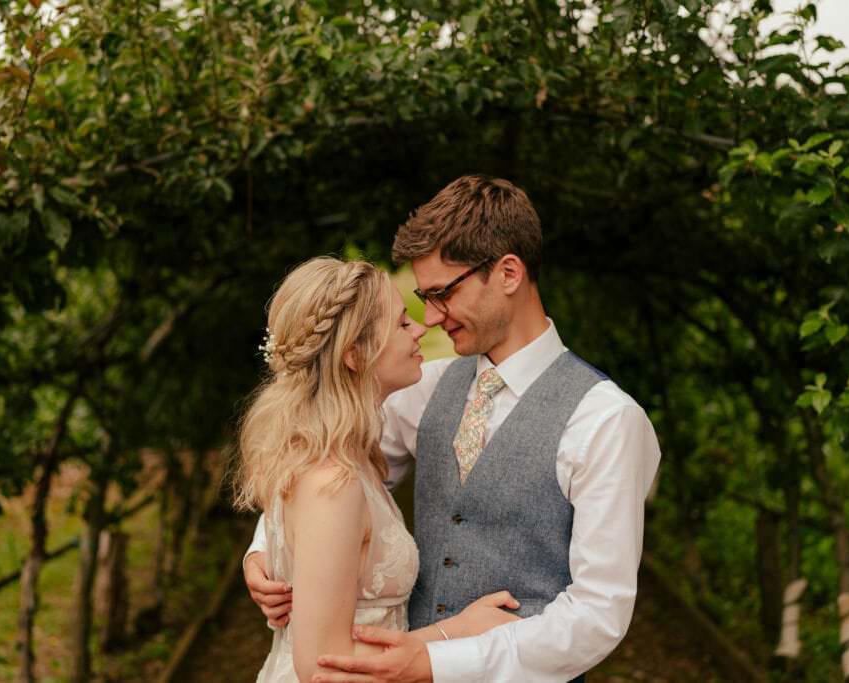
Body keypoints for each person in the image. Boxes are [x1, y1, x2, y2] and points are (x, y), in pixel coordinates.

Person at [244, 177, 662, 683]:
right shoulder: (425, 388)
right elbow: (323, 465)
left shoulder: (606, 420)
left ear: (508, 272)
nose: (433, 317)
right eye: (423, 298)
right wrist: (266, 548)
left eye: (443, 293)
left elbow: (599, 613)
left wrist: (440, 659)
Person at [233, 257, 522, 683]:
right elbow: (322, 666)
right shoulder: (333, 481)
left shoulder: (347, 455)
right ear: (354, 353)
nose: (422, 328)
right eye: (403, 323)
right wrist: (459, 632)